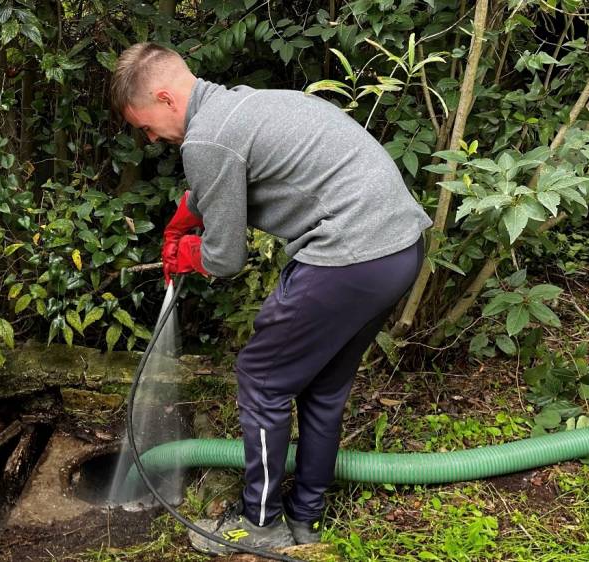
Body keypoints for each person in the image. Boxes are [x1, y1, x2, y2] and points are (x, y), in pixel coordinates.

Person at [111, 42, 432, 555]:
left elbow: (225, 259)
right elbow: (249, 171)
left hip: (348, 253)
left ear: (166, 98)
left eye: (145, 125)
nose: (149, 138)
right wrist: (189, 209)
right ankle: (305, 517)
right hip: (398, 251)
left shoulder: (207, 139)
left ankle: (260, 523)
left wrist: (189, 252)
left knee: (261, 377)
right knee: (323, 388)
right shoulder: (243, 104)